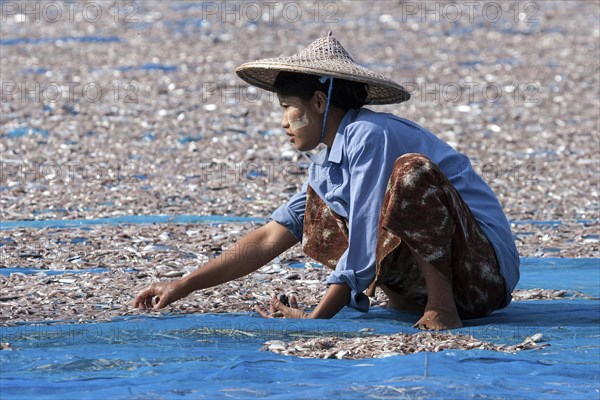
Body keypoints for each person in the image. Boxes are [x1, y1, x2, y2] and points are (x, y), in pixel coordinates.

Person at [133, 33, 520, 330]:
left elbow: (366, 231)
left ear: (319, 103)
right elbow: (271, 237)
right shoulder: (324, 164)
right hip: (437, 279)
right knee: (320, 207)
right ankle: (411, 300)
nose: (283, 121)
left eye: (288, 107)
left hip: (481, 278)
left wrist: (317, 319)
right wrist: (183, 285)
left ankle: (441, 308)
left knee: (411, 173)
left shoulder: (370, 133)